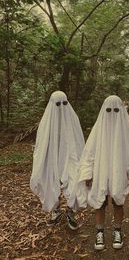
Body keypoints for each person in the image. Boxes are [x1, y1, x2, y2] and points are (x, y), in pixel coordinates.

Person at [73, 95, 129, 250]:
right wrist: (87, 173)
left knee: (119, 201)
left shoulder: (126, 130)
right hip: (101, 171)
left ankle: (117, 230)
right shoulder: (98, 129)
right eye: (108, 110)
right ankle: (100, 232)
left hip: (119, 172)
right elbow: (89, 152)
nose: (112, 113)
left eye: (116, 110)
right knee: (100, 202)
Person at [30, 91, 85, 230]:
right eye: (57, 104)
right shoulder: (46, 122)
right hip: (51, 159)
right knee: (49, 184)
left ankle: (71, 212)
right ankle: (56, 211)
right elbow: (41, 143)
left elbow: (79, 140)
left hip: (70, 158)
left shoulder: (73, 119)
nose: (61, 107)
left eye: (64, 103)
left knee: (73, 185)